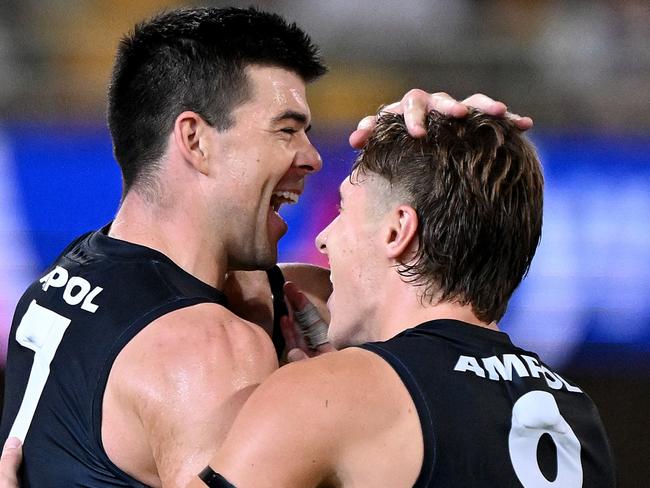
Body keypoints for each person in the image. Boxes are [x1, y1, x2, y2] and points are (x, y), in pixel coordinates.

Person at [0, 5, 531, 487]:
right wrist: (309, 414)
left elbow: (420, 310)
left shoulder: (75, 272)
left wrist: (449, 161)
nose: (312, 157)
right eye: (286, 130)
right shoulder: (209, 352)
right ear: (195, 140)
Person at [191, 110, 616, 487]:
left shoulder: (329, 393)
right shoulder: (580, 417)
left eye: (342, 210)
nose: (323, 239)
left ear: (397, 232)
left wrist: (314, 400)